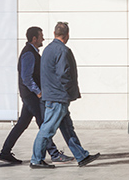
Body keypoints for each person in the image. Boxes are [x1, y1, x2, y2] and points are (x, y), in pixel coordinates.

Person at [0, 26, 74, 164]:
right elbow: (26, 78)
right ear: (34, 38)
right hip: (31, 96)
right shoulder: (29, 53)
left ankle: (5, 152)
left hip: (30, 95)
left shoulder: (32, 52)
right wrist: (38, 92)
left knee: (22, 124)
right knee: (44, 123)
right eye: (41, 36)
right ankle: (54, 154)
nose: (43, 39)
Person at [30, 22, 100, 168]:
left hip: (52, 95)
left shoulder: (47, 49)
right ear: (67, 35)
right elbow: (63, 74)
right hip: (58, 97)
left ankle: (81, 156)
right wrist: (69, 89)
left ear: (54, 33)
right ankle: (36, 160)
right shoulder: (63, 50)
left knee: (67, 128)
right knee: (47, 129)